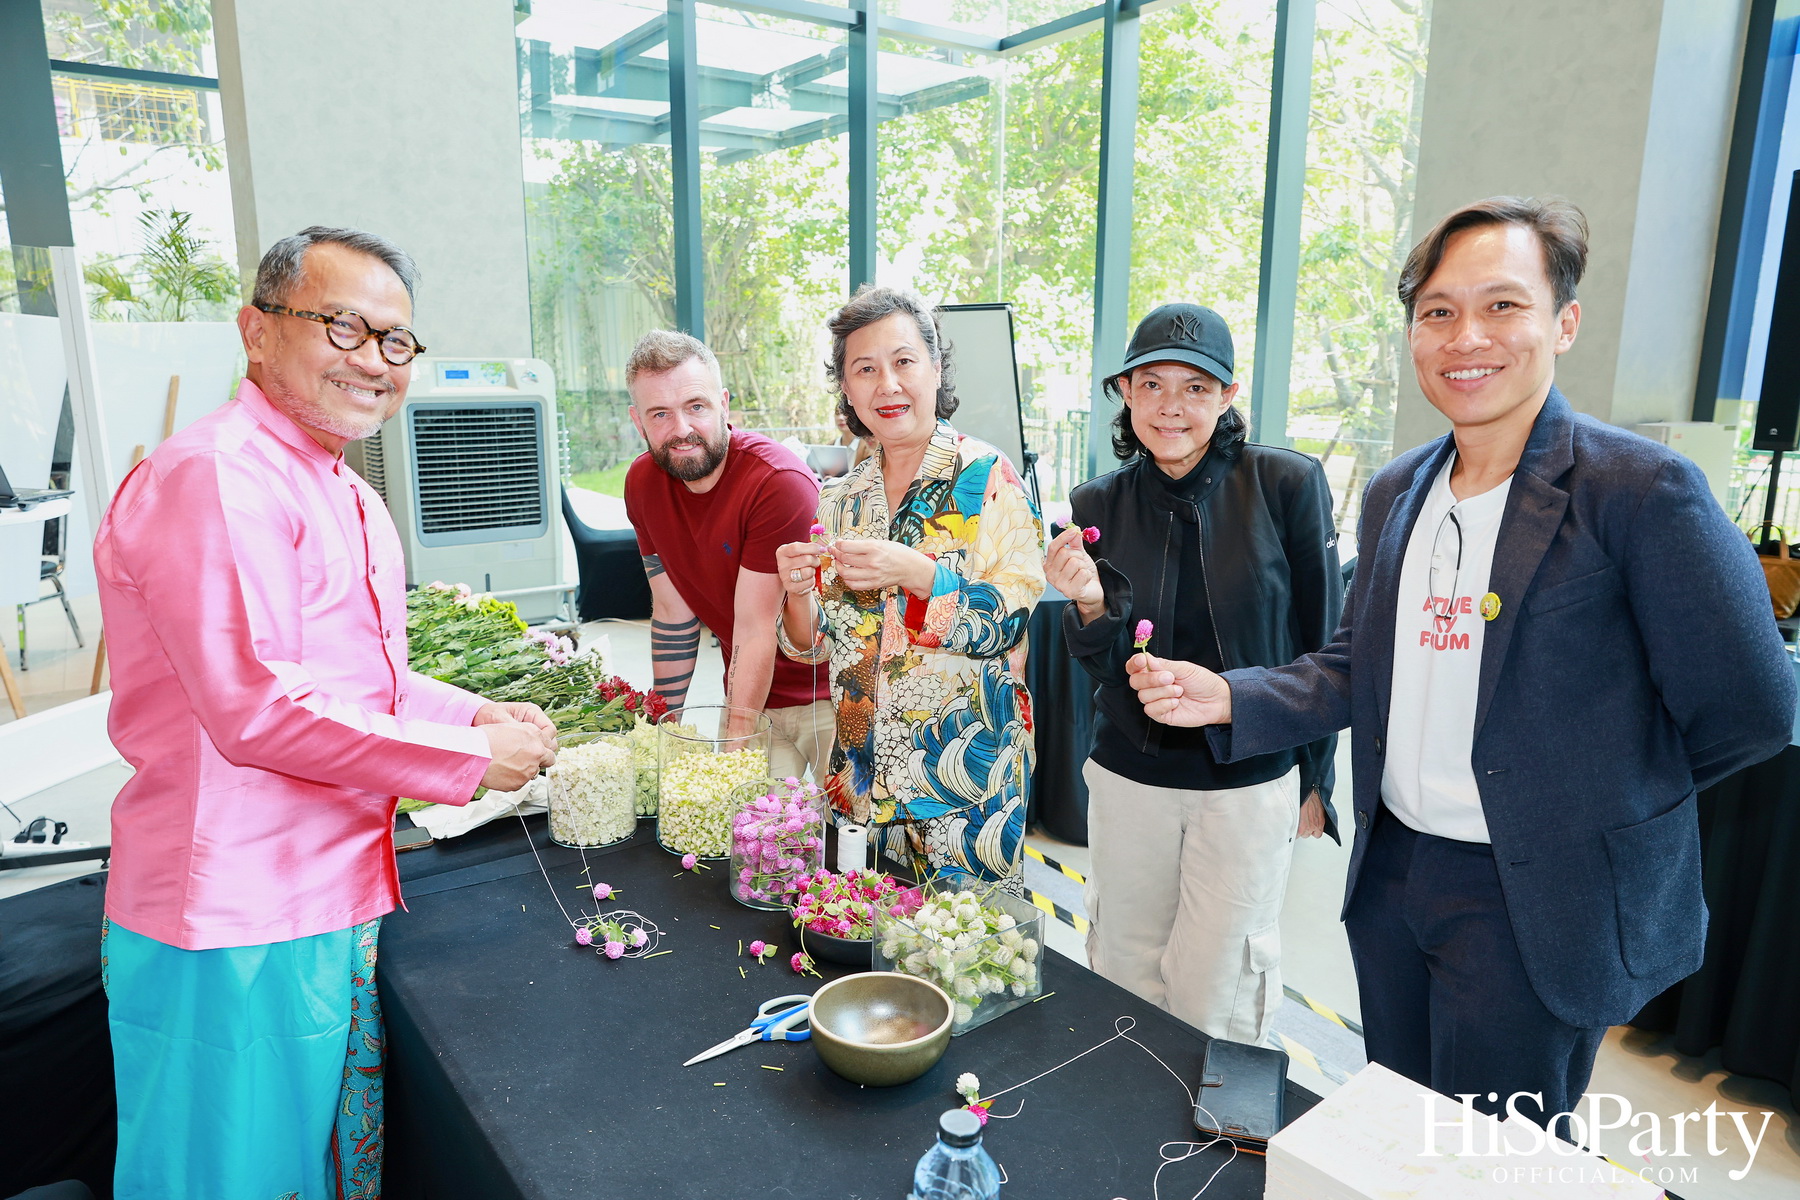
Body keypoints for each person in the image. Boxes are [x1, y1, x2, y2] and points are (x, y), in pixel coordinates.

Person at [1127, 197, 1796, 1133]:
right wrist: (1227, 695)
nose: (1465, 336)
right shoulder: (1403, 487)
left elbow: (1756, 709)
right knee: (1401, 1129)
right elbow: (1364, 662)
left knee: (1491, 1159)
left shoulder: (1638, 491)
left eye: (1502, 306)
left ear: (1563, 321)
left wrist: (1591, 805)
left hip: (1531, 898)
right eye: (1438, 311)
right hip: (1397, 870)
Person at [93, 226, 558, 1197]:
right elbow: (258, 708)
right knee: (225, 1178)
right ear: (256, 332)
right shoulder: (218, 476)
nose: (374, 360)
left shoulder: (336, 485)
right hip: (228, 916)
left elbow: (357, 683)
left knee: (308, 1168)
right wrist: (468, 763)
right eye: (342, 326)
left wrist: (473, 711)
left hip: (324, 891)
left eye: (395, 342)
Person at [1044, 301, 1342, 1043]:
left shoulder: (1287, 486)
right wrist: (1087, 605)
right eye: (1152, 385)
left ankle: (1216, 1136)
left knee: (1224, 984)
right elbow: (1110, 672)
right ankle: (1123, 1124)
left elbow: (1327, 648)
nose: (1171, 406)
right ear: (1125, 393)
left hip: (1246, 784)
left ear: (1229, 396)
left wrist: (1315, 781)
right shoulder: (1096, 505)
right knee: (1122, 965)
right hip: (1129, 779)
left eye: (1196, 388)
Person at [774, 285, 1045, 889]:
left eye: (903, 362)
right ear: (846, 389)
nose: (887, 385)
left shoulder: (988, 477)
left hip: (962, 791)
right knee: (862, 952)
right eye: (864, 369)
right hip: (859, 784)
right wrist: (795, 590)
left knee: (963, 962)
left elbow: (1013, 622)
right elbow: (810, 647)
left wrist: (918, 573)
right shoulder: (840, 498)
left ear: (935, 366)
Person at [623, 330, 834, 780]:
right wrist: (665, 726)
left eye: (695, 407)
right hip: (749, 695)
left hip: (832, 696)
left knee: (848, 845)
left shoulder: (777, 483)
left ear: (723, 403)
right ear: (637, 421)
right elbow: (672, 612)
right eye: (660, 413)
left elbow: (757, 628)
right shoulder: (642, 484)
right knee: (753, 841)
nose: (681, 429)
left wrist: (734, 753)